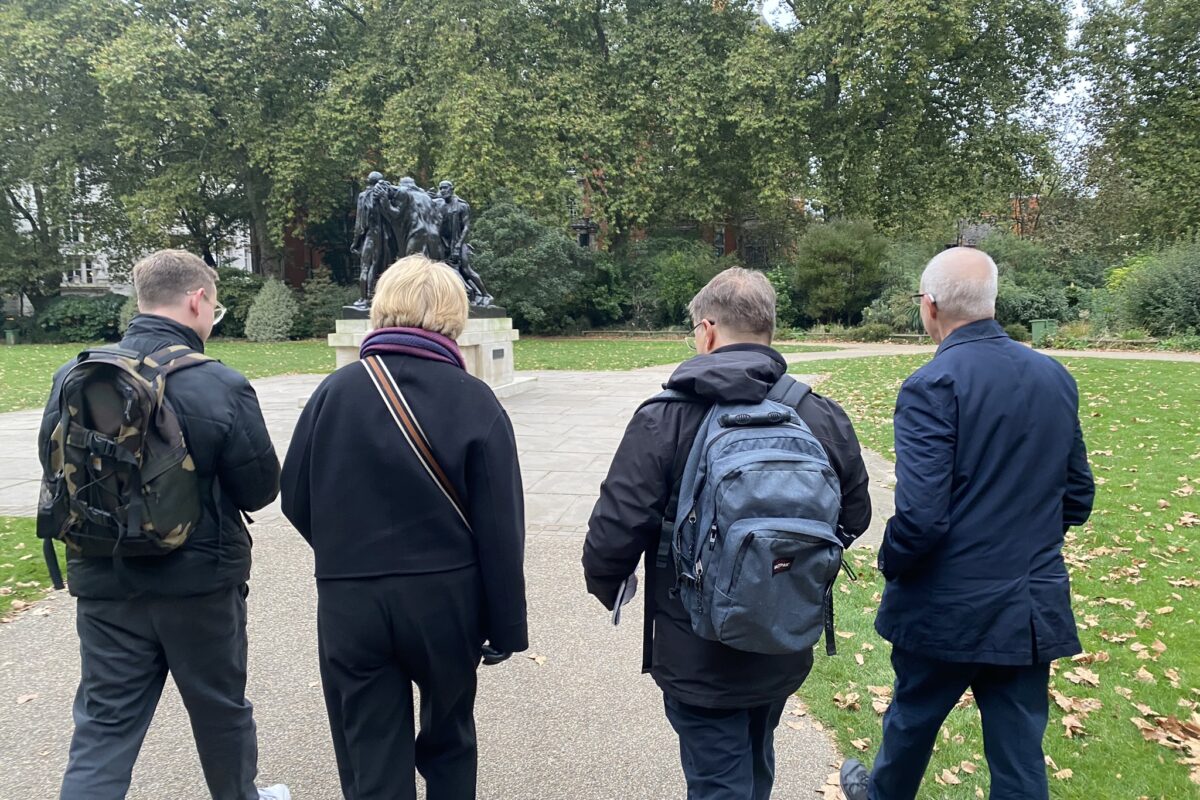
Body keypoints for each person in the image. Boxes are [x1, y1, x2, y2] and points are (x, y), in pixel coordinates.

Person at [583, 268, 872, 800]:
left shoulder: (665, 418)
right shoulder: (818, 415)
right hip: (783, 637)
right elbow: (855, 516)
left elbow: (613, 533)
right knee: (756, 753)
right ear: (767, 329)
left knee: (718, 779)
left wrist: (608, 586)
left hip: (695, 643)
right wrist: (781, 565)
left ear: (708, 331)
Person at [839, 248, 1096, 800]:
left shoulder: (932, 384)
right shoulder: (1054, 376)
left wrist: (890, 560)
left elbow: (922, 517)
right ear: (991, 302)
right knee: (1019, 749)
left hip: (946, 603)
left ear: (928, 307)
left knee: (912, 721)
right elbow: (1078, 497)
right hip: (1027, 599)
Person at [36, 250, 286, 799]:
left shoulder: (73, 376)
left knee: (105, 724)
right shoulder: (219, 384)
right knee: (221, 712)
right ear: (198, 299)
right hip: (199, 583)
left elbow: (52, 467)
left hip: (104, 579)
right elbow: (260, 489)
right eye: (214, 306)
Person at [280, 254, 528, 800]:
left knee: (371, 749)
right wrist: (506, 626)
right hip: (445, 598)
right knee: (450, 738)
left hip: (352, 598)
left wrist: (346, 551)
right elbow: (501, 528)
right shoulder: (475, 399)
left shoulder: (334, 392)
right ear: (454, 317)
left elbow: (294, 496)